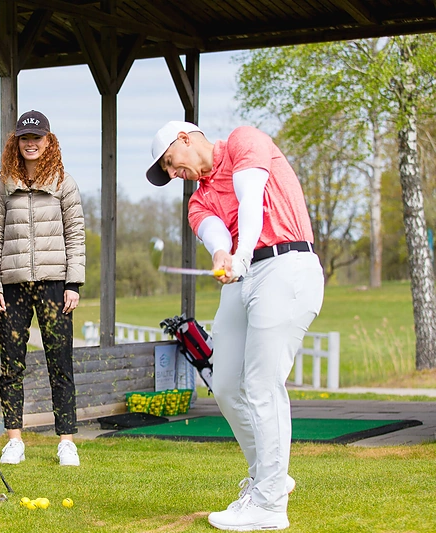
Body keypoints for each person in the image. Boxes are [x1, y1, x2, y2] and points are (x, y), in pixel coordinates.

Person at [146, 121, 324, 531]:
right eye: (168, 171)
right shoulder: (197, 201)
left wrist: (241, 254)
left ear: (185, 138)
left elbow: (250, 199)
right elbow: (216, 236)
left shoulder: (244, 141)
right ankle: (271, 476)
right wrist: (224, 256)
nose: (174, 174)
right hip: (244, 278)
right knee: (225, 384)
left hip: (286, 265)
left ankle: (269, 506)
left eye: (171, 163)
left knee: (262, 384)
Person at [0, 110, 86, 467]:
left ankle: (66, 441)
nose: (31, 144)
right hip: (11, 287)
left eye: (37, 138)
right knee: (11, 364)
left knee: (60, 362)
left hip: (54, 285)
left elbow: (76, 236)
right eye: (25, 138)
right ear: (17, 142)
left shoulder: (64, 183)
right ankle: (14, 440)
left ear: (48, 141)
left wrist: (73, 283)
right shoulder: (3, 185)